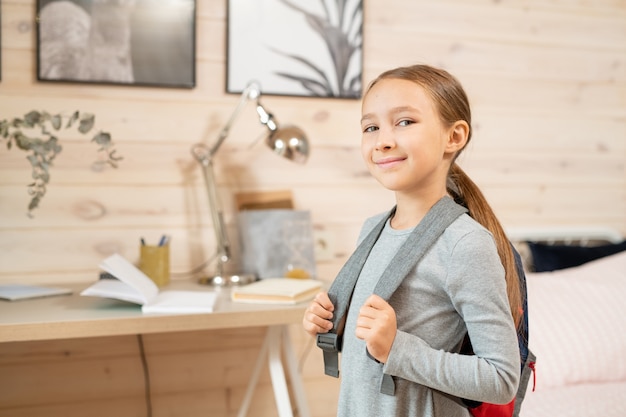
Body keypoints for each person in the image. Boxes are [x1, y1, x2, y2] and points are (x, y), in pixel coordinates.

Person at [302, 64, 522, 416]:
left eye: (404, 122)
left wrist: (397, 348)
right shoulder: (372, 230)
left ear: (454, 137)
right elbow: (372, 356)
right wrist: (333, 327)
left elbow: (501, 378)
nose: (383, 140)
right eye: (370, 127)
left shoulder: (464, 243)